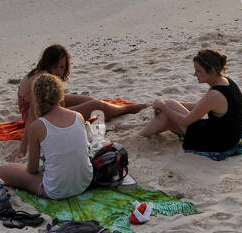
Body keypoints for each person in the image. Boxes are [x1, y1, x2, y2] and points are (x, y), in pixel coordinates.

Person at [9, 44, 145, 159]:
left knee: (91, 101)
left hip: (49, 104)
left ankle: (115, 109)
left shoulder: (45, 75)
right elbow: (32, 116)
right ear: (48, 64)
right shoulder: (40, 81)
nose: (60, 72)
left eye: (62, 67)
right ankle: (127, 109)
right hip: (42, 113)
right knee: (97, 106)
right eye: (56, 67)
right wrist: (22, 150)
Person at [0, 73, 94, 199]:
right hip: (85, 182)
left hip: (57, 190)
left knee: (4, 170)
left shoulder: (37, 126)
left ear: (36, 99)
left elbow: (32, 169)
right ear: (60, 93)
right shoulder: (78, 116)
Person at [140, 49, 242, 152]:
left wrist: (163, 106)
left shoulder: (215, 95)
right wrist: (167, 104)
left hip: (219, 142)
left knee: (167, 112)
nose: (195, 74)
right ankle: (138, 128)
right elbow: (198, 106)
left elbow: (185, 121)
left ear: (212, 70)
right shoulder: (224, 81)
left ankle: (139, 136)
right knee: (169, 111)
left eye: (198, 71)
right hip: (227, 136)